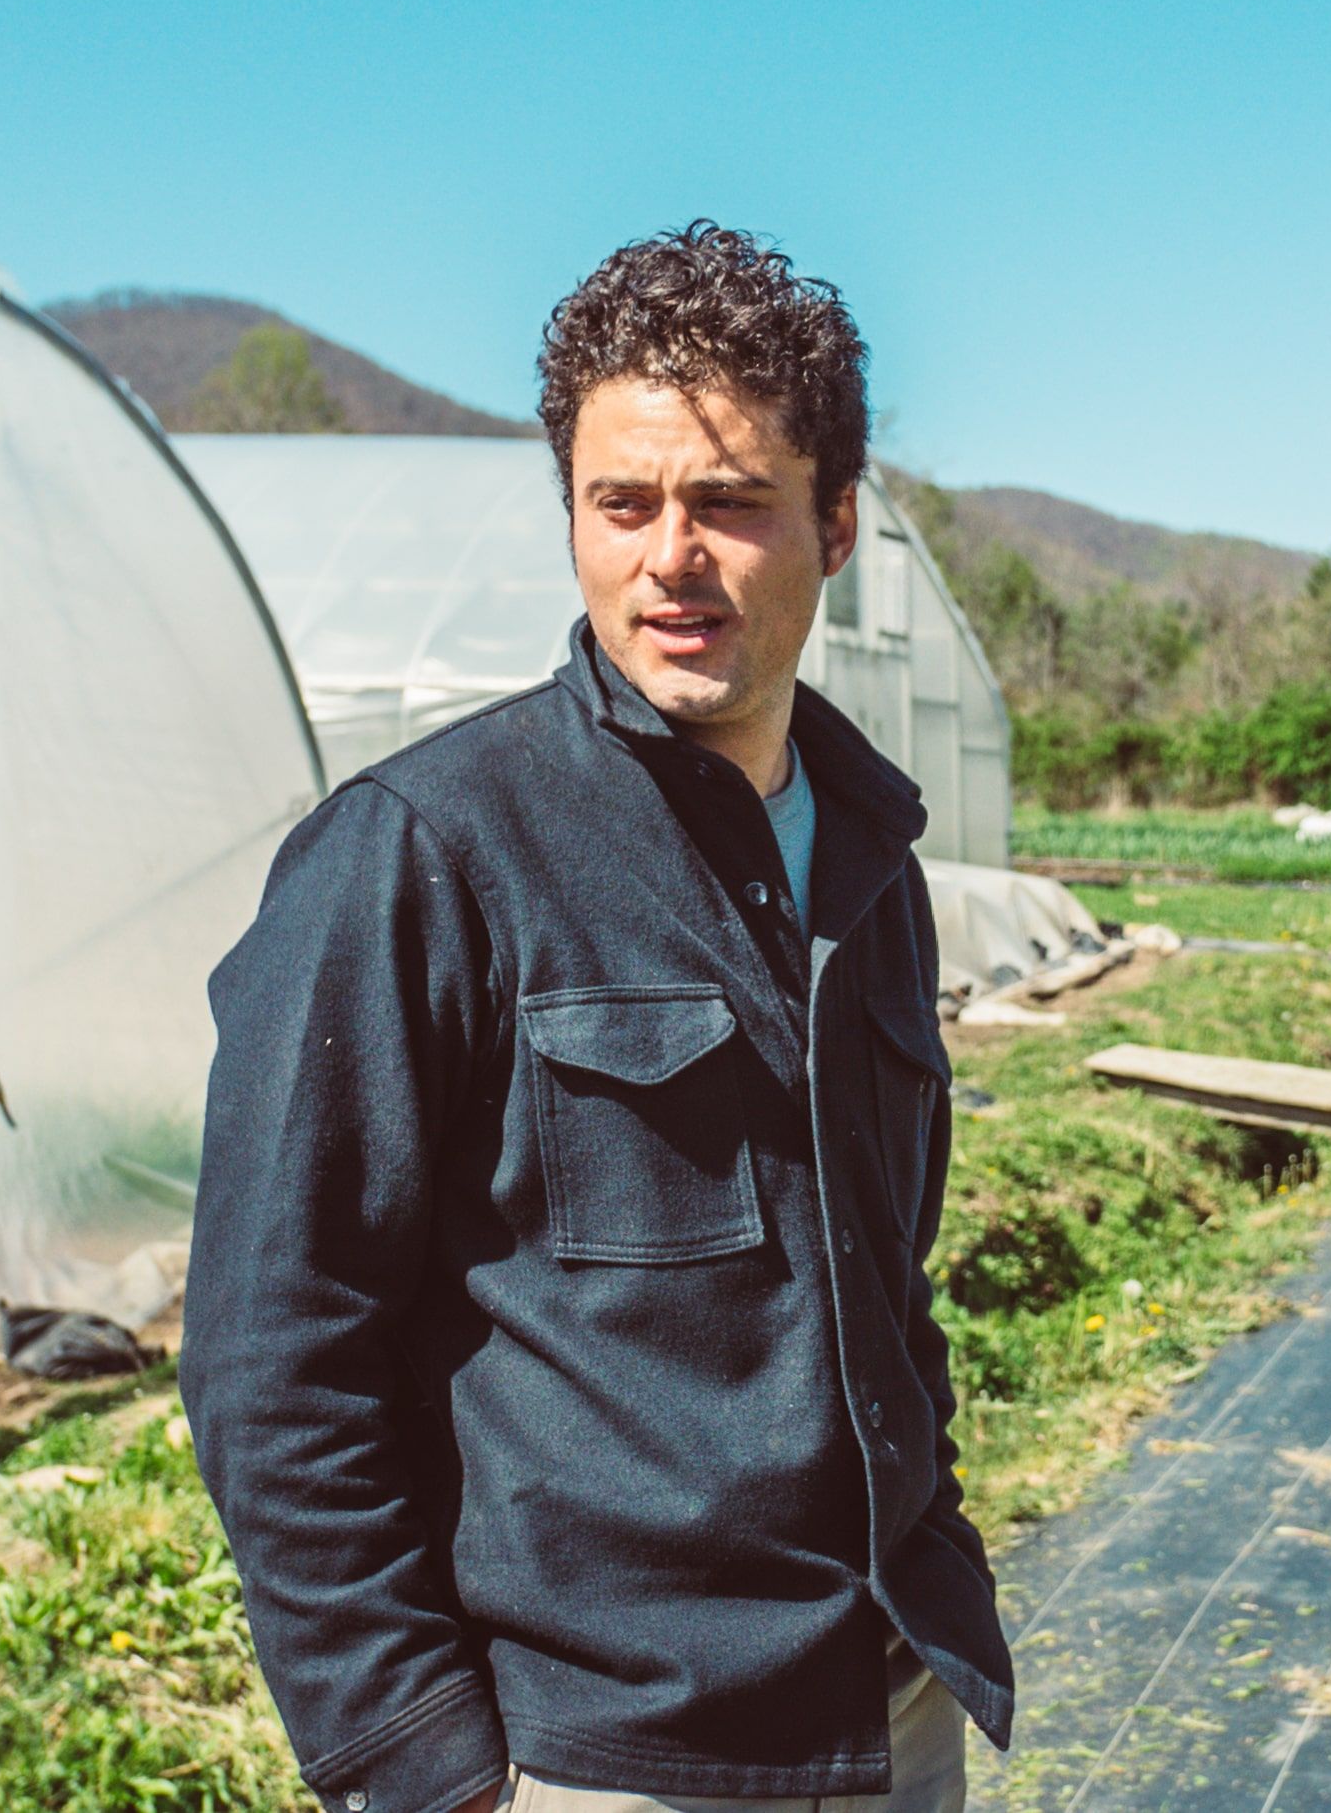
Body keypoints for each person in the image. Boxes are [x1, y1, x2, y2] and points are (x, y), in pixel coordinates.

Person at [185, 222, 1010, 1813]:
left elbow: (884, 1283)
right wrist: (418, 1764)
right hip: (603, 1752)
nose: (668, 559)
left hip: (892, 1704)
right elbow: (270, 1354)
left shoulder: (869, 859)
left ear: (834, 523)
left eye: (729, 504)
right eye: (619, 504)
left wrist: (935, 1535)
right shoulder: (424, 853)